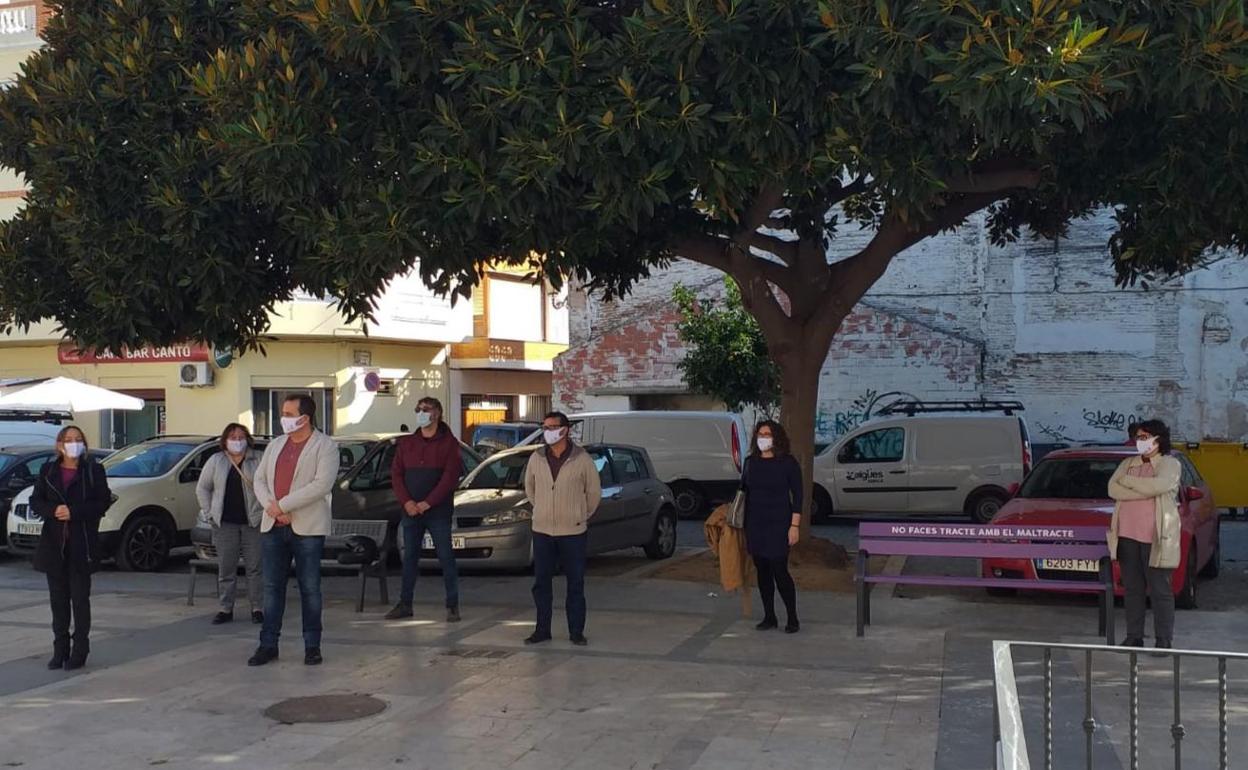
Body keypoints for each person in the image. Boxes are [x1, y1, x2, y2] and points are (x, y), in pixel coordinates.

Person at [248, 394, 340, 667]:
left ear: (305, 418)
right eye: (283, 413)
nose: (284, 418)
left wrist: (284, 505)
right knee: (272, 587)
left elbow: (321, 485)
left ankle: (312, 645)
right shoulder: (276, 445)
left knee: (310, 588)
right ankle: (268, 644)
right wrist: (272, 507)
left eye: (289, 414)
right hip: (273, 525)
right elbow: (259, 479)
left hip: (308, 527)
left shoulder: (325, 447)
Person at [30, 426, 111, 670]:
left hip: (81, 545)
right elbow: (36, 500)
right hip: (54, 546)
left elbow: (102, 502)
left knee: (79, 600)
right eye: (69, 440)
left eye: (78, 439)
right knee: (58, 601)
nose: (73, 443)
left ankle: (80, 649)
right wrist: (53, 511)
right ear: (59, 445)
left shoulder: (93, 470)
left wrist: (74, 512)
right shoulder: (48, 470)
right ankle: (60, 649)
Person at [523, 411, 600, 646]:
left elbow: (594, 493)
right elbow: (530, 489)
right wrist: (544, 511)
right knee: (542, 583)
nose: (547, 432)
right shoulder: (536, 458)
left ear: (565, 430)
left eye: (552, 427)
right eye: (544, 427)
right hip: (543, 530)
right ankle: (542, 629)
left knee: (575, 583)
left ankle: (576, 630)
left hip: (573, 532)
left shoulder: (582, 459)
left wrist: (578, 514)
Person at [385, 397, 464, 622]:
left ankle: (452, 604)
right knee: (409, 557)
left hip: (437, 511)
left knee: (445, 557)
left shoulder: (449, 444)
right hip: (410, 511)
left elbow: (449, 478)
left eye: (426, 409)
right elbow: (396, 474)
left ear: (437, 413)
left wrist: (427, 503)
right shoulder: (408, 443)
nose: (421, 413)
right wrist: (407, 502)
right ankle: (405, 604)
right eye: (418, 409)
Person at [1108, 419, 1182, 650]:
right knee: (1132, 589)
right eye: (1138, 438)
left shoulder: (1170, 464)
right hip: (1127, 535)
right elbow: (1113, 488)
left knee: (1160, 590)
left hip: (1156, 537)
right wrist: (1144, 488)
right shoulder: (1128, 462)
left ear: (1159, 439)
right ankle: (1134, 636)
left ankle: (1163, 640)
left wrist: (1129, 483)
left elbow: (1159, 486)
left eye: (1145, 437)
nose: (1141, 442)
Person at [196, 423, 264, 625]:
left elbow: (269, 485)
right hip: (224, 523)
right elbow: (203, 488)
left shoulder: (258, 459)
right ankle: (225, 608)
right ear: (225, 440)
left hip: (253, 522)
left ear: (248, 439)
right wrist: (209, 514)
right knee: (226, 568)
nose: (237, 440)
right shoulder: (217, 460)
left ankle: (257, 608)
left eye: (241, 436)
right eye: (233, 437)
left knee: (255, 568)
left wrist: (263, 512)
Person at [742, 420, 803, 634]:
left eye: (767, 434)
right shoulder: (750, 462)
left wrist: (794, 525)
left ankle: (792, 617)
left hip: (779, 523)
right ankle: (769, 616)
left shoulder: (787, 463)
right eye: (760, 434)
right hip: (755, 523)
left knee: (779, 569)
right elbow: (742, 492)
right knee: (763, 571)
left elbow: (798, 496)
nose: (763, 437)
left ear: (776, 437)